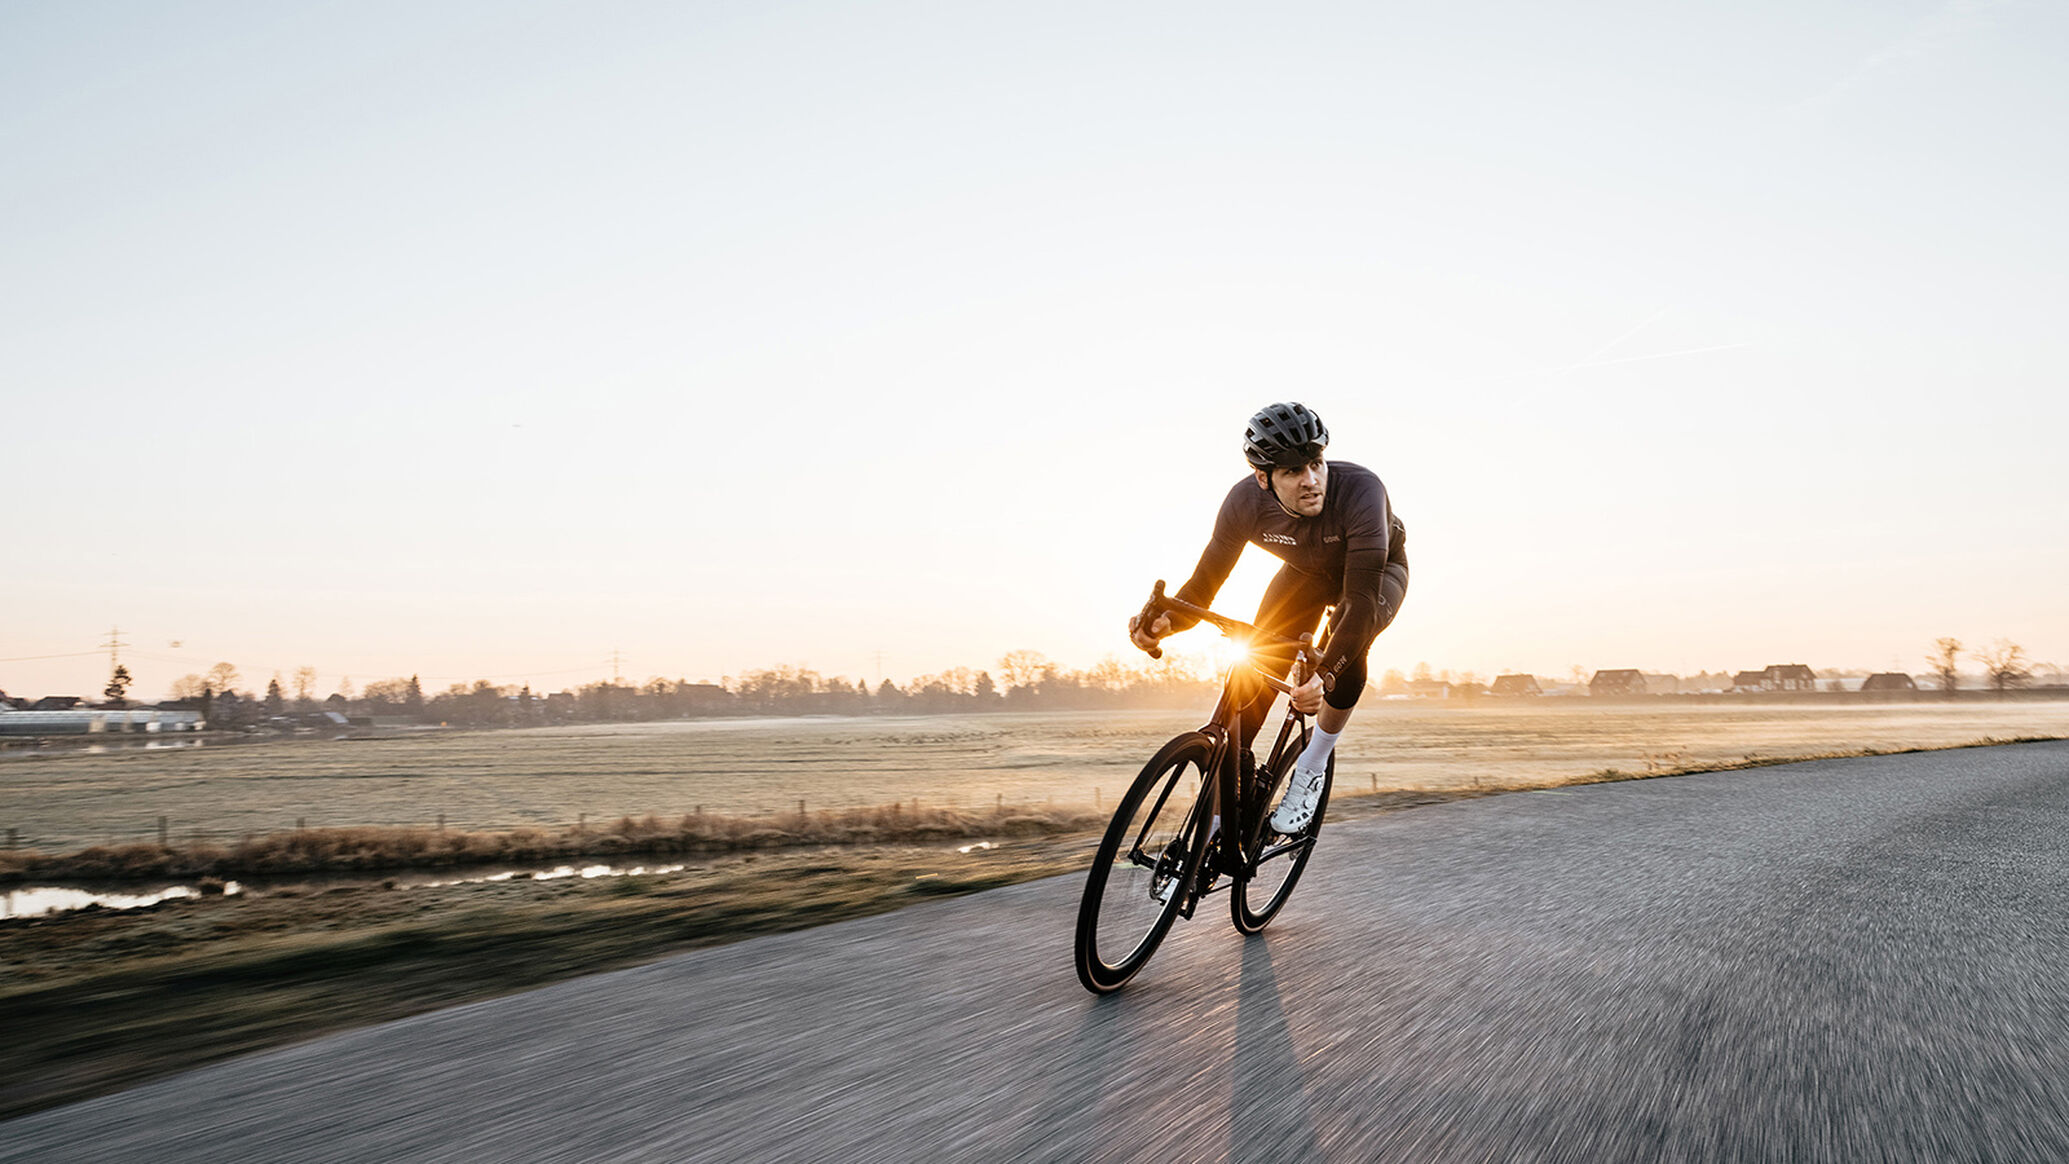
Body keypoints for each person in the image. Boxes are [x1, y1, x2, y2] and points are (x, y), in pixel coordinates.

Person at [1129, 401, 1408, 833]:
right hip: (1304, 575)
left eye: (1316, 463)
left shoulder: (1361, 490)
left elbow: (1360, 603)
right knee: (1256, 665)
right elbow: (1204, 583)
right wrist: (1167, 623)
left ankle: (1312, 765)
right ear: (1263, 478)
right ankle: (1213, 830)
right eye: (1293, 472)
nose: (1312, 481)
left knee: (1348, 644)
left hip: (1376, 576)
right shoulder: (1244, 503)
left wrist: (1324, 676)